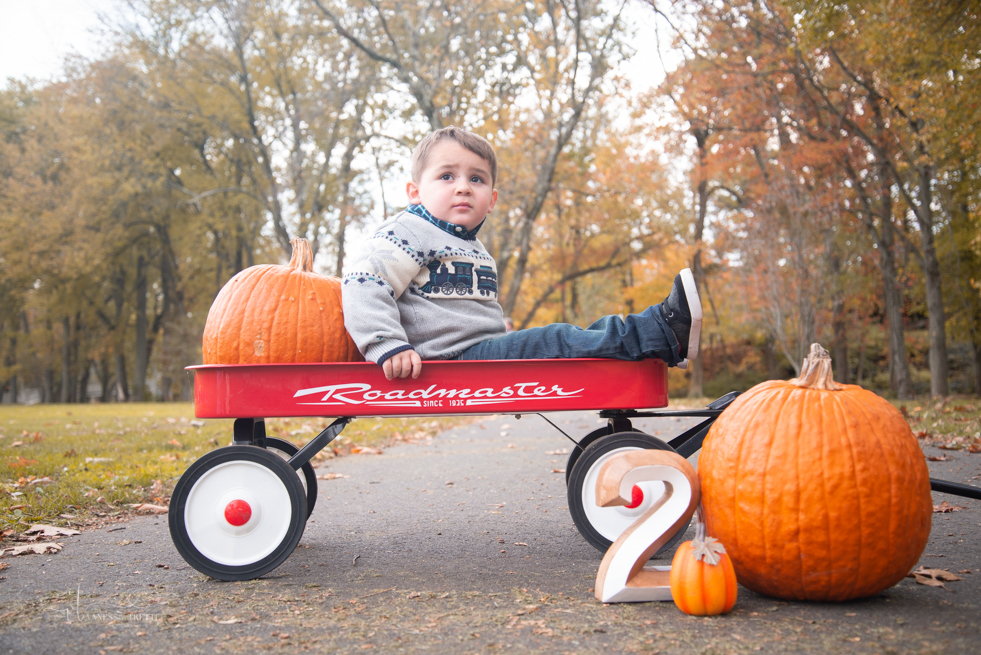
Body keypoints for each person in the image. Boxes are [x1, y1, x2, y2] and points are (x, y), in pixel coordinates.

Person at [342, 126, 702, 380]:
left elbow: (457, 307)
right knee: (556, 339)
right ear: (415, 192)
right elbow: (364, 281)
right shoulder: (407, 231)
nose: (464, 187)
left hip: (478, 350)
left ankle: (655, 345)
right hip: (448, 361)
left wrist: (501, 327)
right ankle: (661, 331)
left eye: (477, 179)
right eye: (447, 176)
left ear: (492, 200)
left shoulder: (469, 244)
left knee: (560, 339)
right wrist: (386, 344)